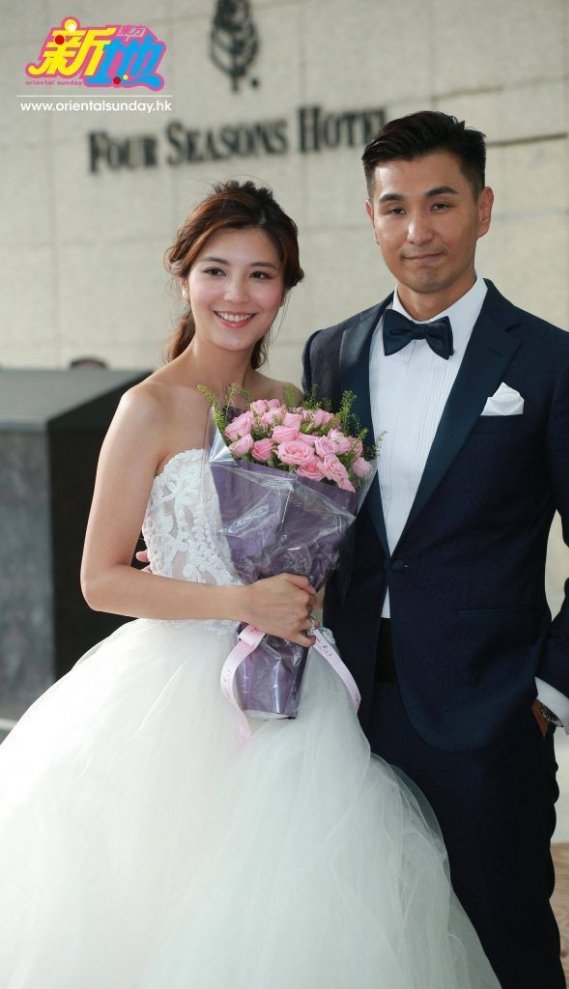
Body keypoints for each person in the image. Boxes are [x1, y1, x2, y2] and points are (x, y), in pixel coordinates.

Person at [0, 181, 499, 988]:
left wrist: (305, 593)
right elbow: (100, 579)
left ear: (284, 289)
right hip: (175, 695)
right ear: (184, 278)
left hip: (292, 691)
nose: (237, 294)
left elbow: (314, 548)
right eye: (216, 270)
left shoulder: (295, 408)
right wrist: (238, 602)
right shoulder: (146, 408)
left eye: (261, 275)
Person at [302, 111, 569, 989]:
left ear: (483, 209)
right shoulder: (330, 352)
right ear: (371, 217)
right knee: (374, 944)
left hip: (492, 713)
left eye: (441, 203)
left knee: (505, 943)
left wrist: (553, 689)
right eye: (395, 207)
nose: (418, 229)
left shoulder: (555, 361)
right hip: (348, 709)